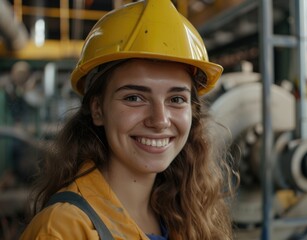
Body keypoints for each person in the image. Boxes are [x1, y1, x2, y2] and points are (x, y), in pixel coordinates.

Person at [20, 0, 237, 239]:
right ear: (98, 109)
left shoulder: (186, 214)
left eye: (176, 99)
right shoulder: (62, 230)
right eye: (134, 97)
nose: (160, 120)